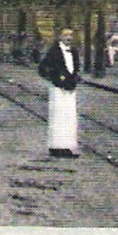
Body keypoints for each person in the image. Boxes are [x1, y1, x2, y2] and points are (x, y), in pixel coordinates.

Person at [38, 28, 80, 158]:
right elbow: (42, 69)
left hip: (70, 88)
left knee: (69, 117)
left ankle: (68, 146)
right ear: (60, 37)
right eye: (66, 35)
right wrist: (55, 79)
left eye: (70, 35)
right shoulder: (53, 52)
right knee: (58, 117)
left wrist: (74, 78)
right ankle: (56, 146)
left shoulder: (74, 51)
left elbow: (76, 68)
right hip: (58, 89)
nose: (69, 38)